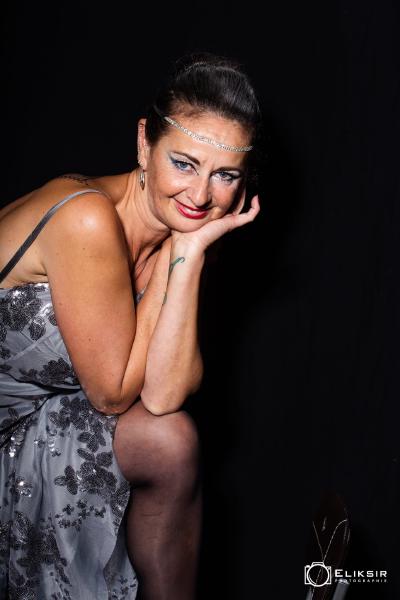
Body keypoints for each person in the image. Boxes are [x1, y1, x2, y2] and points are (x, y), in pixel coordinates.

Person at [0, 52, 262, 599]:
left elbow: (162, 395)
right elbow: (114, 393)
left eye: (225, 176)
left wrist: (185, 254)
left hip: (30, 424)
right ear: (145, 143)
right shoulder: (88, 218)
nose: (200, 196)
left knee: (172, 441)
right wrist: (179, 256)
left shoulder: (185, 234)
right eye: (184, 164)